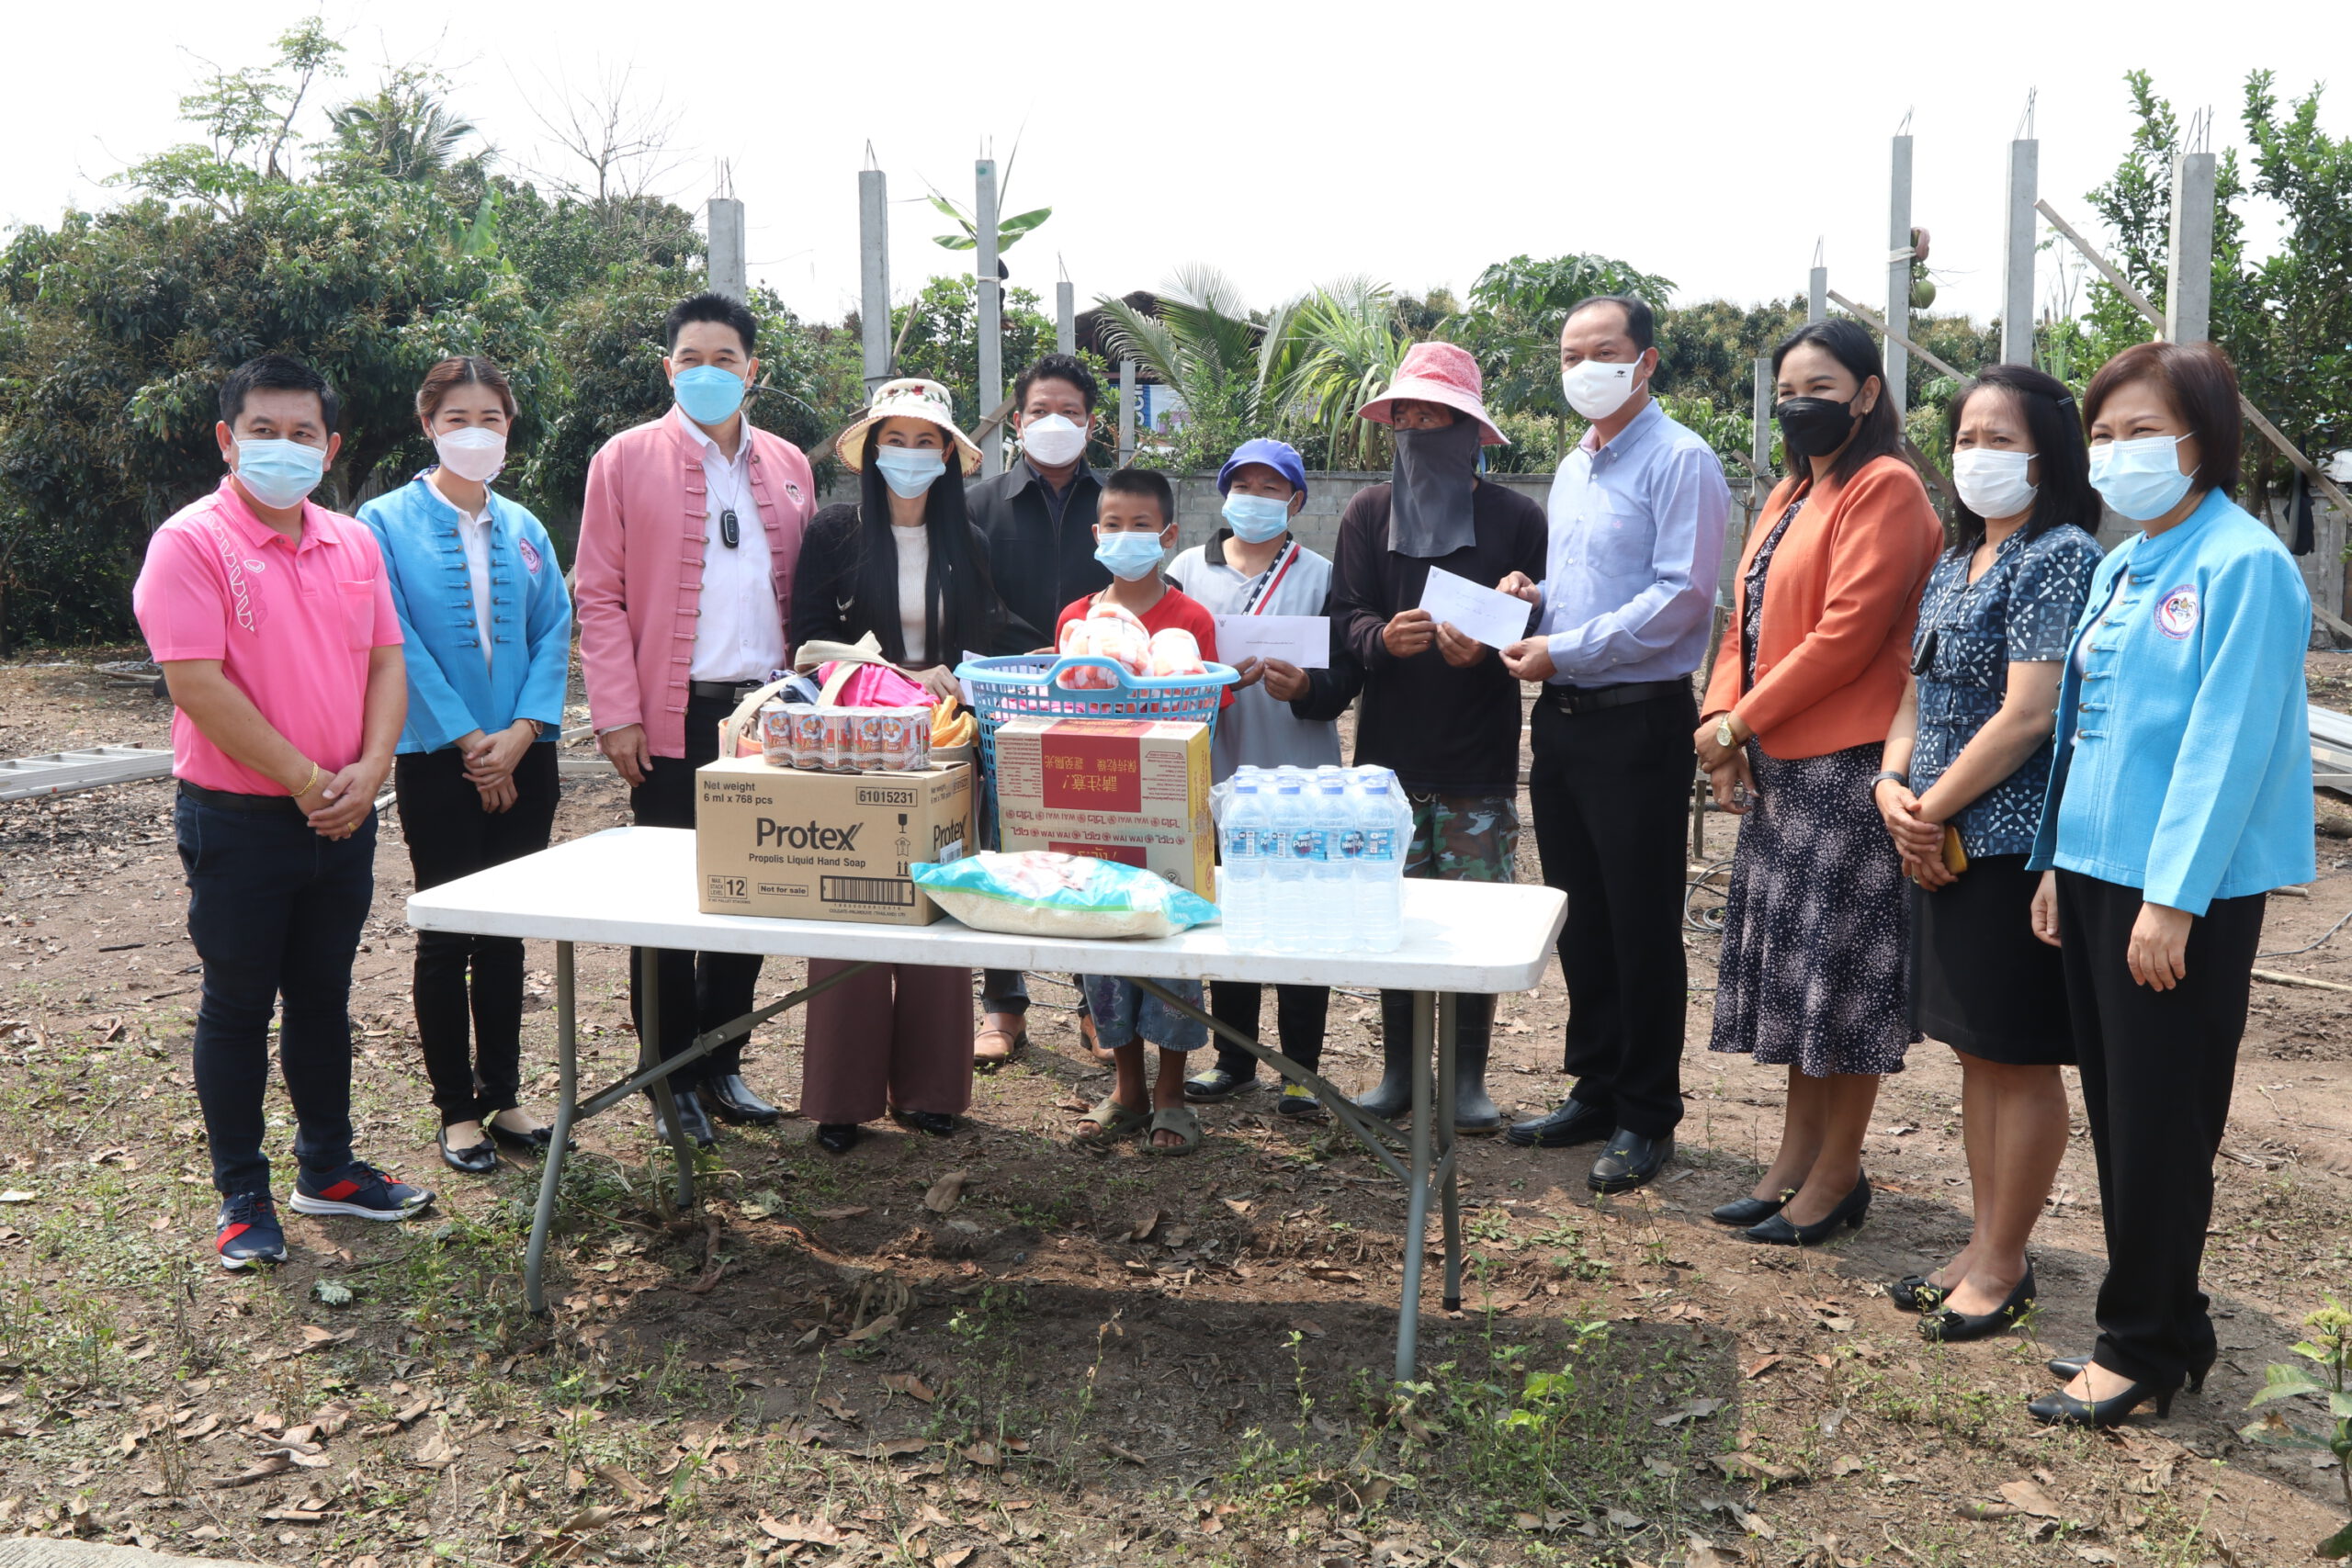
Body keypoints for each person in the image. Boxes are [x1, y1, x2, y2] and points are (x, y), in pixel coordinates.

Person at [2025, 342, 2313, 1427]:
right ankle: (2172, 1324)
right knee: (2122, 1111)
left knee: (2161, 1120)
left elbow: (2223, 745)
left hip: (2179, 894)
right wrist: (2056, 861)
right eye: (2102, 434)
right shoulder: (2125, 562)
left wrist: (2172, 898)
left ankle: (2137, 1348)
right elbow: (2082, 730)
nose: (2115, 452)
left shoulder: (2243, 566)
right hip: (2098, 872)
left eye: (2140, 431)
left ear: (2203, 439)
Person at [134, 354, 433, 1269]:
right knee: (236, 1004)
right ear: (227, 440)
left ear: (330, 448)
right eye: (263, 430)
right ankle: (242, 1195)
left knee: (322, 995)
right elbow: (195, 683)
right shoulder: (191, 544)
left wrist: (369, 771)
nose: (284, 446)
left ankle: (328, 1168)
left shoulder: (352, 543)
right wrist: (306, 779)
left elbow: (386, 661)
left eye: (303, 433)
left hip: (345, 811)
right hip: (241, 818)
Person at [1697, 319, 1942, 1245]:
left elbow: (1845, 636)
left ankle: (1837, 1175)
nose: (1802, 405)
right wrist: (1725, 728)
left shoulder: (1887, 487)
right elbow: (1742, 625)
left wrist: (1737, 723)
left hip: (1849, 770)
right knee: (1804, 981)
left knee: (1840, 982)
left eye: (1823, 388)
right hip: (1783, 770)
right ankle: (1792, 1162)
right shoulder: (1789, 492)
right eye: (1789, 390)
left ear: (1867, 395)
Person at [1871, 366, 2101, 1337]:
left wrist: (1927, 809)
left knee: (2016, 1057)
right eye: (1966, 437)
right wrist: (1890, 787)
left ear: (2048, 453)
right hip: (1939, 836)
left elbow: (2029, 714)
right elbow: (1913, 694)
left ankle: (2006, 1262)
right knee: (1975, 1055)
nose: (1976, 455)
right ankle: (1981, 1241)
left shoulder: (2058, 555)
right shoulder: (1957, 558)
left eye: (2000, 439)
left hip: (2006, 846)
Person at [1496, 295, 1732, 1192]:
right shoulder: (1572, 466)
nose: (1584, 368)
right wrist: (1534, 599)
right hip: (1561, 719)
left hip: (1637, 721)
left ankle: (1646, 1112)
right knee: (1583, 915)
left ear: (1646, 362)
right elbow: (1586, 588)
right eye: (1570, 354)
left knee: (1639, 922)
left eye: (1603, 351)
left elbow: (1680, 597)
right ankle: (1594, 1088)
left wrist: (1565, 646)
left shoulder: (1681, 460)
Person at [575, 292, 816, 1147]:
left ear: (753, 370)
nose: (707, 372)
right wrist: (618, 713)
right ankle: (667, 1073)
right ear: (667, 367)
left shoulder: (789, 462)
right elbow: (599, 595)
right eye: (690, 358)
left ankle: (723, 1059)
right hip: (672, 718)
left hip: (765, 723)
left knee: (752, 893)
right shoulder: (624, 458)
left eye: (725, 359)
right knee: (669, 902)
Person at [790, 379, 1021, 1154]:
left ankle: (930, 1090)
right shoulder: (835, 532)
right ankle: (842, 1097)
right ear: (872, 450)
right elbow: (809, 642)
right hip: (856, 746)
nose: (911, 455)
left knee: (938, 904)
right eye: (897, 439)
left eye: (928, 442)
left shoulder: (969, 542)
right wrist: (899, 677)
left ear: (949, 456)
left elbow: (987, 638)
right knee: (852, 906)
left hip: (946, 748)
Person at [359, 356, 572, 1176]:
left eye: (490, 418)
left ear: (509, 427)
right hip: (436, 757)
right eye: (457, 418)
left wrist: (520, 732)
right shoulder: (382, 522)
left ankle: (504, 1093)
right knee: (447, 936)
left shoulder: (525, 526)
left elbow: (554, 628)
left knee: (507, 932)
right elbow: (395, 639)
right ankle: (455, 1109)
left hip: (526, 755)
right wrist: (470, 742)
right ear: (428, 425)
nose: (474, 432)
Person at [1329, 342, 1547, 1134]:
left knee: (1472, 923)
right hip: (1389, 758)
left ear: (1470, 432)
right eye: (1407, 416)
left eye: (1436, 417)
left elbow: (1535, 625)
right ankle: (1398, 1071)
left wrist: (1495, 635)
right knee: (1394, 918)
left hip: (1477, 761)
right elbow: (1346, 615)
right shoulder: (1366, 513)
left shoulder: (1517, 519)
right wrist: (1383, 638)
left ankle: (1465, 1079)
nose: (1417, 429)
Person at [1166, 438, 1343, 1119]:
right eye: (1244, 486)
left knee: (1301, 920)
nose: (1255, 499)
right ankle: (1234, 1059)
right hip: (1215, 770)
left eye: (1272, 489)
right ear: (1224, 493)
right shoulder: (1187, 569)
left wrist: (1309, 687)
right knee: (1229, 916)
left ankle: (1301, 1071)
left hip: (1299, 772)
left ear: (1295, 501)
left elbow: (1345, 675)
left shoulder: (1321, 574)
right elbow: (1166, 664)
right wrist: (1211, 683)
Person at [1061, 468, 1222, 1154]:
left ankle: (1172, 1094)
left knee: (1173, 946)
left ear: (1168, 535)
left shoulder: (1191, 621)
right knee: (1105, 945)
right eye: (1114, 525)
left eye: (1141, 525)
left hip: (1170, 807)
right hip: (1095, 803)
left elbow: (1209, 712)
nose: (1126, 536)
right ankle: (1127, 1089)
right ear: (1096, 534)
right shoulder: (1077, 621)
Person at [965, 352, 1112, 1066]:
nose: (1056, 423)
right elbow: (971, 600)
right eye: (1041, 411)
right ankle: (1003, 1003)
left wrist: (1087, 649)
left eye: (1071, 412)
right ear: (1018, 422)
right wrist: (1036, 650)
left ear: (1093, 423)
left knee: (1095, 843)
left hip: (1101, 700)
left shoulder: (1115, 505)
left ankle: (1096, 1002)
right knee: (1003, 845)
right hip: (1007, 702)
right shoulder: (980, 504)